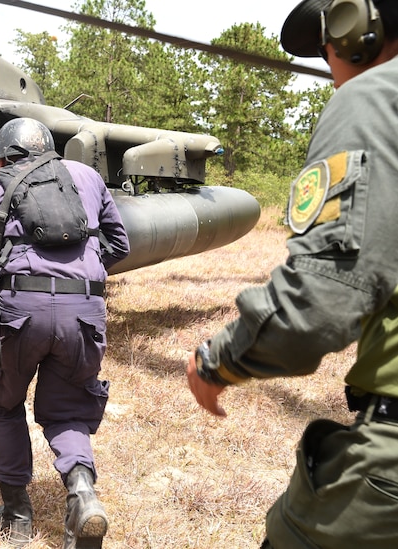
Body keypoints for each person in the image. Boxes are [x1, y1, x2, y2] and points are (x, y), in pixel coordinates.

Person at [186, 1, 398, 547]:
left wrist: (218, 361)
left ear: (359, 30)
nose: (329, 66)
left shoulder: (376, 96)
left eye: (327, 45)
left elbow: (322, 301)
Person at [0, 118, 129, 547]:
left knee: (3, 402)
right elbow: (119, 244)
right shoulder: (87, 177)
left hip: (17, 313)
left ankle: (16, 515)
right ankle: (83, 495)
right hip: (84, 313)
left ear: (5, 154)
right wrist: (78, 275)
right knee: (68, 410)